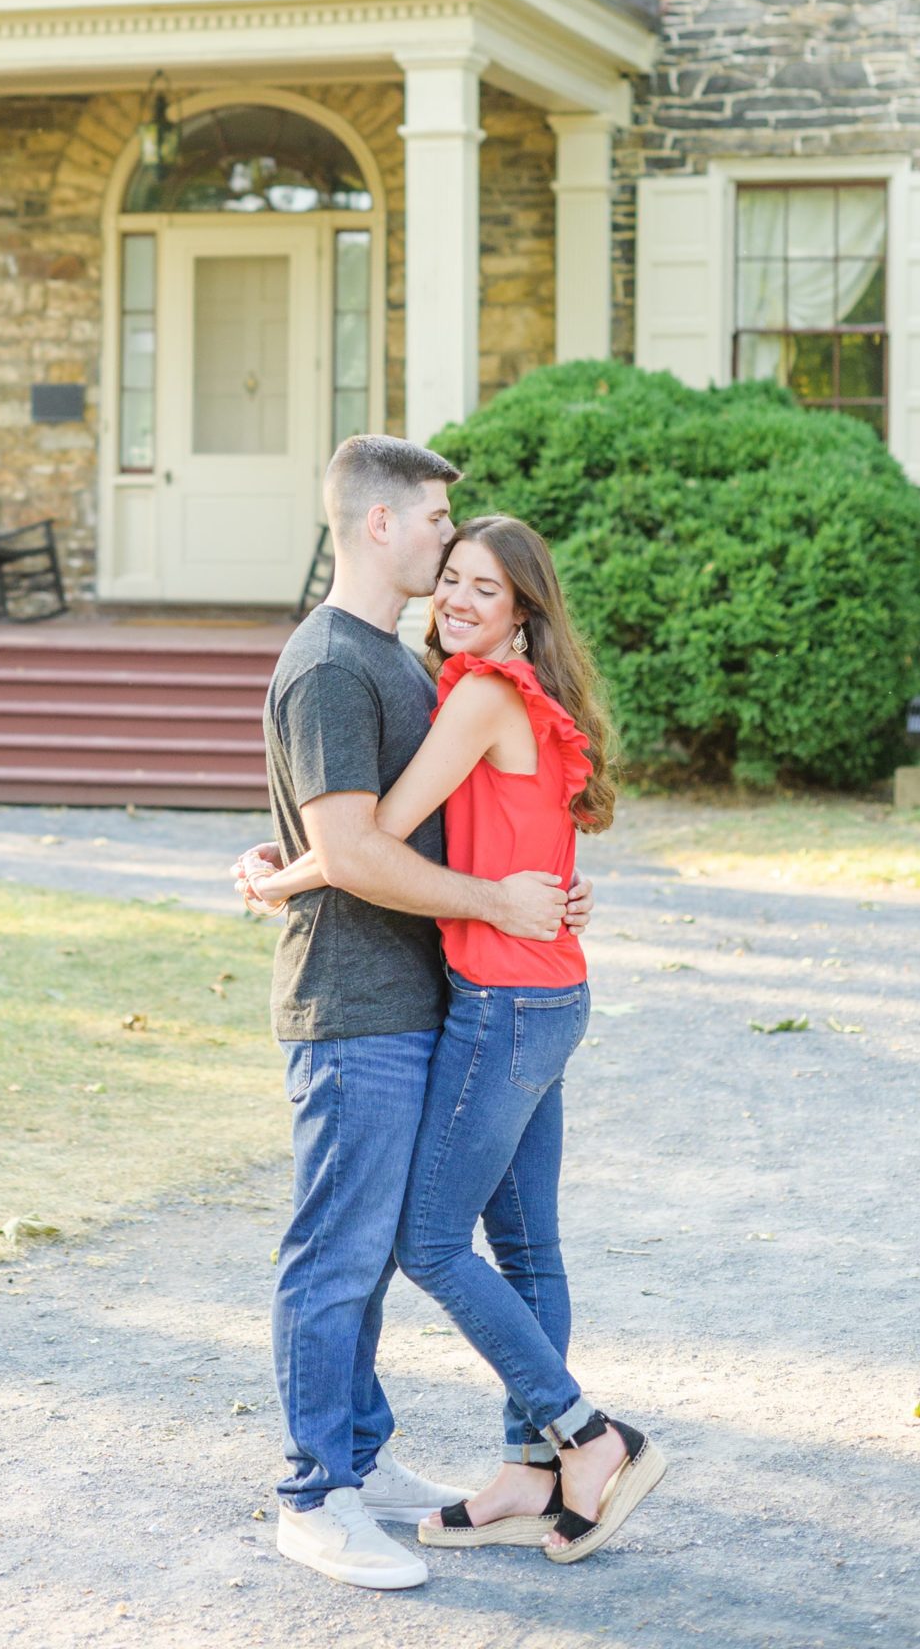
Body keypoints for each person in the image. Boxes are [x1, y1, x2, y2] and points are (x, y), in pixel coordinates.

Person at [251, 514, 666, 1567]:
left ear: (522, 610)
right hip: (548, 995)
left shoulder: (481, 692)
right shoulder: (526, 694)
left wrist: (274, 873)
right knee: (526, 1246)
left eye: (484, 586)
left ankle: (585, 1436)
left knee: (427, 1241)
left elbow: (371, 833)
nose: (458, 600)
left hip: (502, 1004)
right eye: (449, 579)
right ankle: (532, 1473)